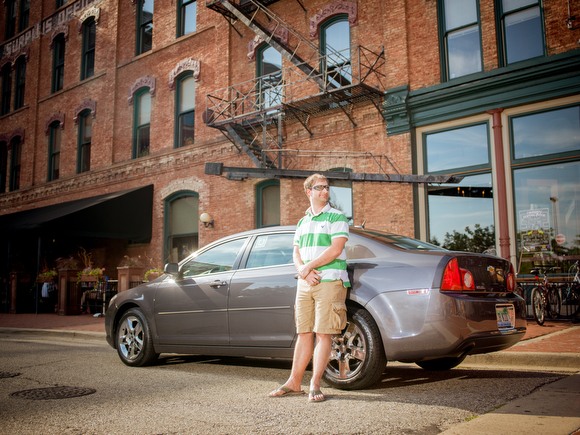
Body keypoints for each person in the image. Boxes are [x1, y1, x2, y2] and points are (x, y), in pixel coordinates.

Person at [269, 173, 350, 402]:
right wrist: (303, 270)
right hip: (305, 284)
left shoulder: (336, 216)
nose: (325, 191)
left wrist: (308, 267)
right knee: (304, 332)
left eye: (327, 187)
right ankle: (294, 382)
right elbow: (296, 252)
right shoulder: (302, 221)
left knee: (323, 333)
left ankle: (315, 384)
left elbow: (335, 250)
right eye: (320, 187)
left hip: (330, 281)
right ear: (309, 192)